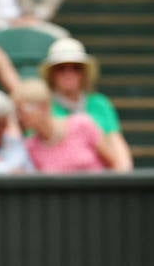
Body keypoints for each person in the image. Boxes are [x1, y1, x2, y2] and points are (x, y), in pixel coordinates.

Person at [41, 36, 131, 172]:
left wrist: (124, 173)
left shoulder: (100, 103)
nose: (68, 74)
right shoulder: (44, 106)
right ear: (51, 74)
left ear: (83, 73)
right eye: (61, 68)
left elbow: (115, 140)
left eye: (75, 68)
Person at [15, 77, 125, 173]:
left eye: (22, 110)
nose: (19, 116)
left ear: (43, 107)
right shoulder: (29, 147)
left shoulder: (82, 124)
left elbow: (115, 164)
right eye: (17, 111)